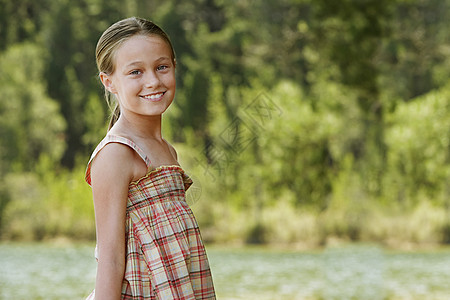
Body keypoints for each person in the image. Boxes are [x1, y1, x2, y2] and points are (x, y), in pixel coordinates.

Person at [85, 17, 216, 300]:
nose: (153, 81)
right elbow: (110, 259)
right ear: (109, 82)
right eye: (135, 72)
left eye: (161, 67)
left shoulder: (167, 151)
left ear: (174, 66)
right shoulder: (116, 154)